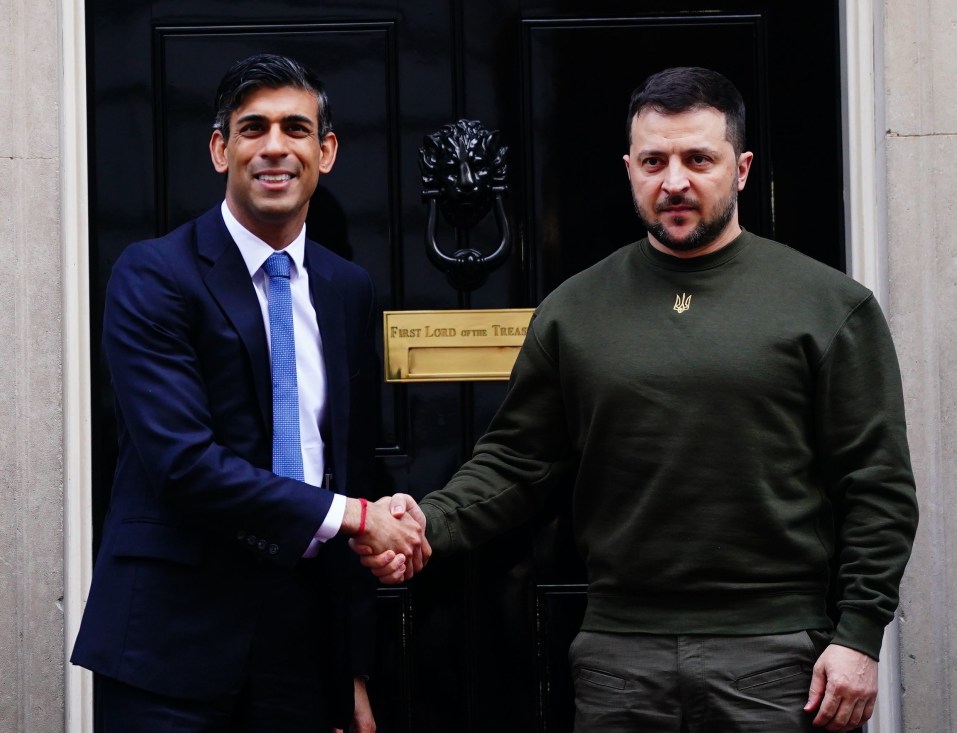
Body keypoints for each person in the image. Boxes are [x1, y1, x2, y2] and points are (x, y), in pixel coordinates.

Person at [359, 67, 918, 732]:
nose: (674, 181)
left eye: (698, 159)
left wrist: (859, 634)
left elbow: (877, 485)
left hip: (773, 657)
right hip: (619, 657)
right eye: (653, 160)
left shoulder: (828, 306)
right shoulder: (574, 311)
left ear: (740, 169)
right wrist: (427, 522)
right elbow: (515, 463)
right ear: (629, 168)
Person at [72, 53, 428, 733]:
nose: (274, 147)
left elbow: (345, 465)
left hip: (301, 651)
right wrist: (356, 517)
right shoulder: (153, 275)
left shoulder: (346, 288)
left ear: (325, 152)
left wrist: (349, 667)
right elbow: (185, 463)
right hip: (170, 647)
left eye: (296, 129)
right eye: (252, 127)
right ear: (219, 148)